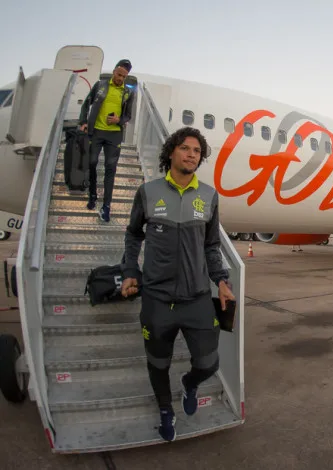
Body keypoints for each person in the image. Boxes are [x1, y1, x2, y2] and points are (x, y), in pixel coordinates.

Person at [121, 127, 236, 442]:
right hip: (157, 300)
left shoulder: (209, 196)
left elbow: (212, 246)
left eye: (197, 151)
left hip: (197, 298)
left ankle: (189, 383)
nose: (191, 154)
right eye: (185, 148)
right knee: (158, 363)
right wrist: (130, 269)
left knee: (209, 363)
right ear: (171, 152)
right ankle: (164, 409)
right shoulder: (148, 192)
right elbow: (133, 234)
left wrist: (222, 280)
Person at [78, 59, 135, 222]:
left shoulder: (128, 93)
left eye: (124, 77)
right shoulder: (100, 85)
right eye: (119, 75)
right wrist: (83, 122)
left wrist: (119, 120)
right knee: (92, 162)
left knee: (111, 169)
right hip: (96, 132)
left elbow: (128, 115)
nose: (120, 79)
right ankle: (93, 194)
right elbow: (86, 104)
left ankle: (106, 207)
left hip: (114, 135)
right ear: (114, 72)